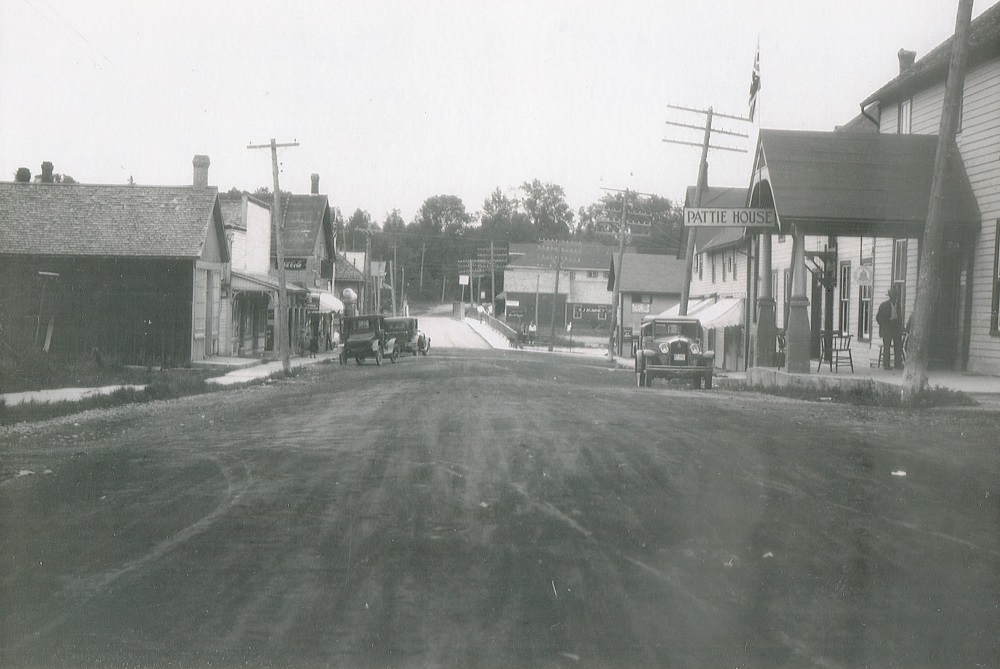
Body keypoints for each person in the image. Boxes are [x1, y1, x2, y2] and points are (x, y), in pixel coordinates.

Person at [875, 287, 904, 370]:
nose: (895, 298)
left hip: (896, 327)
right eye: (893, 296)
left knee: (898, 345)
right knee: (887, 346)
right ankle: (886, 365)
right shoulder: (884, 305)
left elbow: (899, 317)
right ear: (890, 296)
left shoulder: (898, 305)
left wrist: (900, 327)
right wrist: (884, 325)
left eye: (896, 296)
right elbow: (878, 318)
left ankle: (898, 363)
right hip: (887, 327)